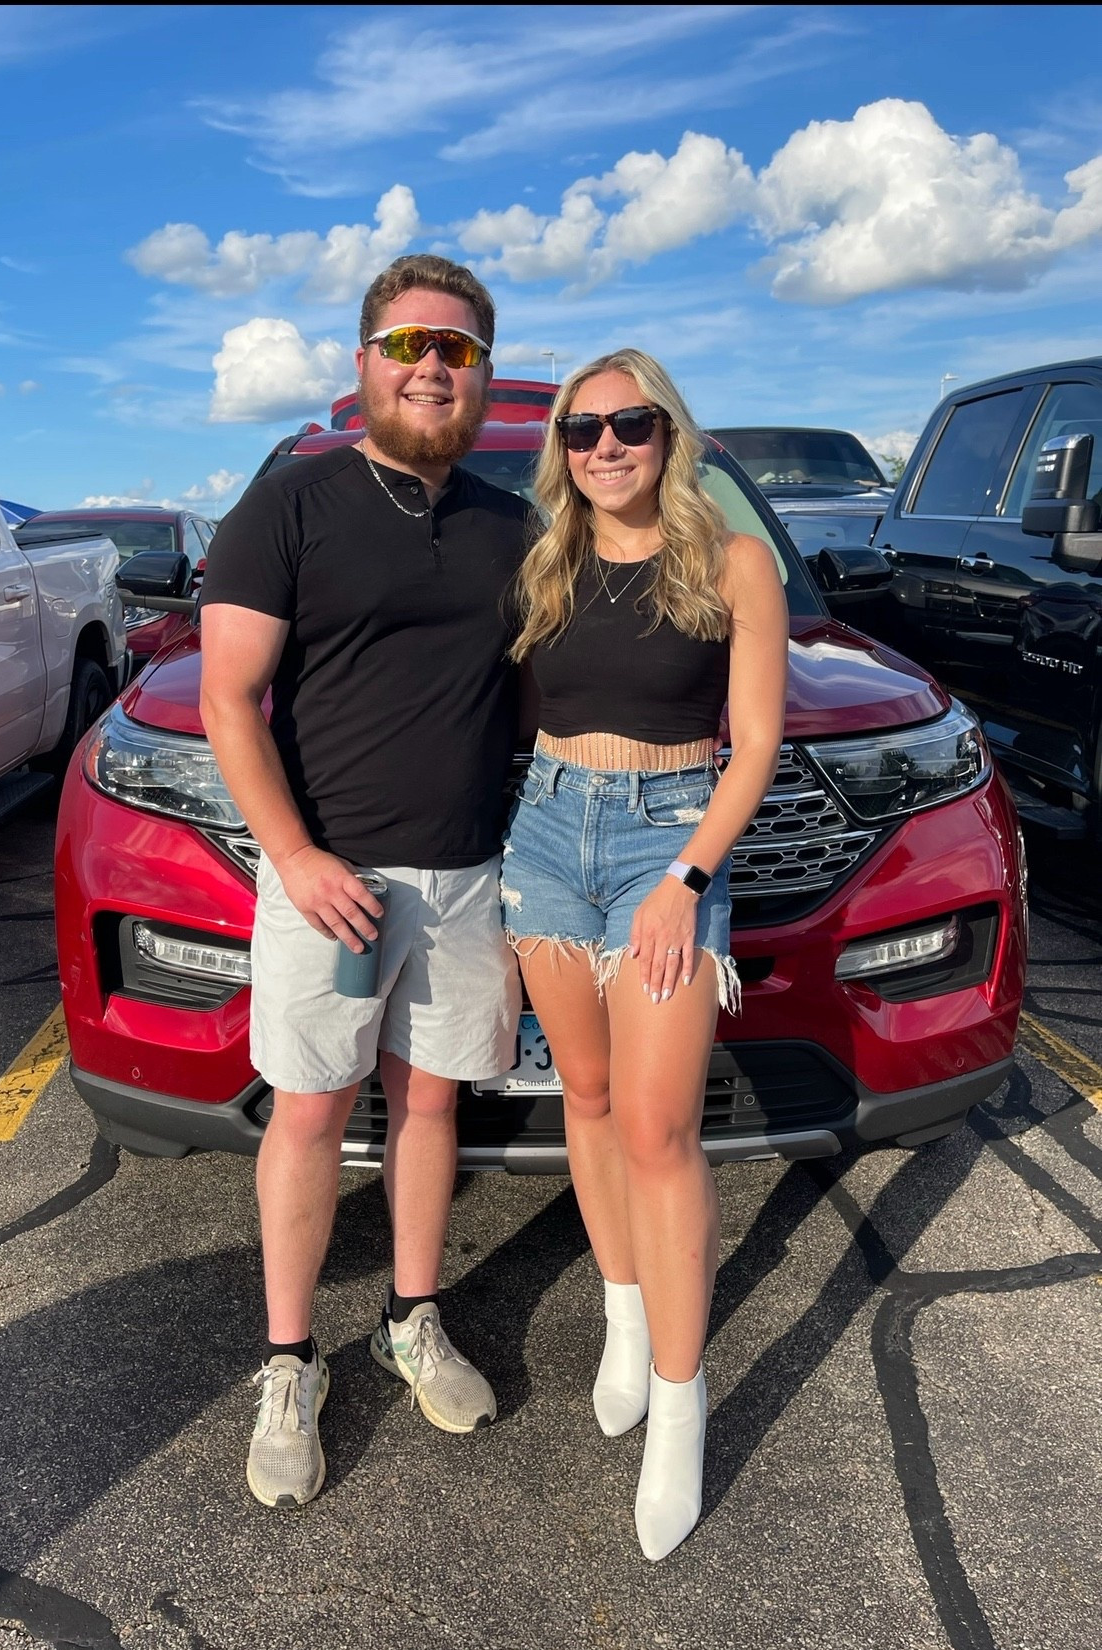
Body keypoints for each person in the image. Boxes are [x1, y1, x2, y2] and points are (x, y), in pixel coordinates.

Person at [199, 255, 529, 1509]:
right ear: (364, 364)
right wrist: (295, 856)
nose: (431, 365)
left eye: (455, 348)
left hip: (463, 882)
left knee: (430, 1112)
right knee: (311, 1117)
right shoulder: (288, 506)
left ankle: (411, 1318)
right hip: (330, 879)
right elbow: (229, 701)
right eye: (407, 345)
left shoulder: (514, 525)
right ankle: (288, 1363)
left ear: (482, 374)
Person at [501, 350, 788, 1559]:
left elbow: (760, 743)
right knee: (590, 1094)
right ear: (561, 446)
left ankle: (682, 1402)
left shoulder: (734, 562)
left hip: (670, 838)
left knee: (662, 1128)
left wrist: (685, 881)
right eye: (583, 429)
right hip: (547, 834)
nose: (607, 446)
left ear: (670, 433)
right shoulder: (546, 565)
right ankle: (623, 1316)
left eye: (631, 424)